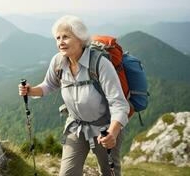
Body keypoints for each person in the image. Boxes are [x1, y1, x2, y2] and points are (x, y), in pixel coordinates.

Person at [18, 15, 129, 176]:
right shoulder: (58, 62)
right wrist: (31, 90)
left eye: (66, 37)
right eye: (58, 38)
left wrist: (112, 132)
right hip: (76, 126)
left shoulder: (100, 64)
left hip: (105, 129)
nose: (60, 42)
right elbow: (49, 84)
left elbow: (119, 103)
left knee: (109, 172)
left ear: (80, 38)